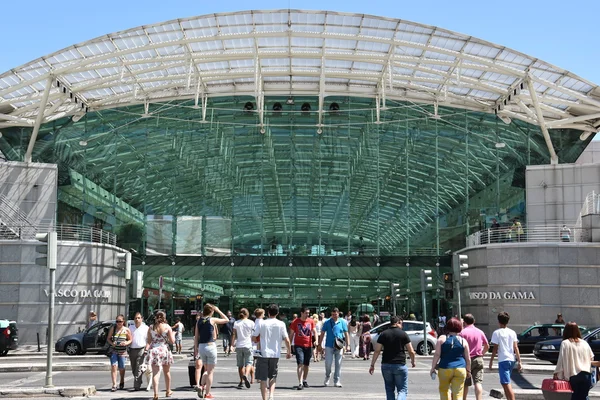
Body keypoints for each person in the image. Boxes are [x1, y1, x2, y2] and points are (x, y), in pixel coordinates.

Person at [369, 316, 416, 400]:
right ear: (397, 323)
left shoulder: (383, 334)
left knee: (389, 389)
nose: (402, 326)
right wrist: (413, 361)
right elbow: (411, 351)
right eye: (401, 323)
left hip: (386, 365)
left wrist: (372, 365)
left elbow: (377, 350)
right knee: (402, 390)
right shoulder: (403, 334)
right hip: (400, 365)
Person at [252, 303, 292, 400]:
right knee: (273, 376)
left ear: (268, 313)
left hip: (263, 353)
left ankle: (264, 398)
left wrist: (258, 340)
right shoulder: (281, 324)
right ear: (277, 313)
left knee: (262, 378)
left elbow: (254, 337)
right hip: (275, 354)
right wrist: (288, 351)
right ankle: (271, 395)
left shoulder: (261, 323)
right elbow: (287, 339)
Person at [194, 304, 230, 399]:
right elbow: (226, 320)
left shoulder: (199, 321)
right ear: (211, 311)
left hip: (201, 347)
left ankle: (201, 386)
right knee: (210, 372)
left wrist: (195, 350)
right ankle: (207, 393)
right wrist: (218, 310)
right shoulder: (212, 320)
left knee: (206, 369)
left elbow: (196, 337)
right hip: (210, 346)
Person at [430, 317, 471, 400]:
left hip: (445, 368)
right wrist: (468, 370)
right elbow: (468, 358)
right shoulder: (463, 341)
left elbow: (437, 354)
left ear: (447, 327)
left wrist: (433, 367)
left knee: (444, 390)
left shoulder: (441, 339)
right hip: (460, 368)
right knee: (458, 393)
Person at [554, 322, 594, 400]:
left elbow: (561, 360)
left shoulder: (565, 343)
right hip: (586, 375)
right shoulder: (584, 343)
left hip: (574, 375)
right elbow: (591, 358)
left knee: (575, 396)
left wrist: (557, 373)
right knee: (584, 396)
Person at [488, 312, 522, 400]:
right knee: (505, 382)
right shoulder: (512, 332)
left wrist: (491, 361)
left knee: (506, 383)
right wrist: (519, 361)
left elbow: (495, 349)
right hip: (511, 359)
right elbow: (516, 347)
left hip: (503, 360)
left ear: (499, 321)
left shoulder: (496, 333)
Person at [145, 310, 175, 400]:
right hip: (164, 350)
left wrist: (146, 349)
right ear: (164, 317)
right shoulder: (167, 327)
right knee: (167, 371)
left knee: (155, 373)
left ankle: (155, 393)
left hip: (154, 350)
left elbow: (149, 341)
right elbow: (172, 341)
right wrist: (173, 334)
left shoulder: (151, 327)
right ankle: (168, 391)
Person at [318, 308, 350, 387]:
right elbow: (322, 333)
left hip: (339, 344)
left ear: (338, 314)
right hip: (329, 345)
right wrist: (319, 344)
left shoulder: (342, 322)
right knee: (328, 363)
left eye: (335, 314)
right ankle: (327, 376)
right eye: (332, 314)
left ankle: (337, 380)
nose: (334, 316)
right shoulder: (327, 322)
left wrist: (348, 345)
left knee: (338, 363)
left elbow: (346, 333)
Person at [460, 314, 489, 400]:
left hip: (466, 360)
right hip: (478, 358)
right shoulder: (480, 332)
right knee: (478, 383)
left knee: (465, 383)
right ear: (474, 321)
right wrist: (482, 354)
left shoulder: (462, 333)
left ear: (464, 322)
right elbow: (487, 345)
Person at [289, 306, 317, 390]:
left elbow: (315, 331)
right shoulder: (295, 322)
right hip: (298, 345)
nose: (307, 315)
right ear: (301, 313)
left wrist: (316, 340)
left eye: (308, 313)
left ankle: (304, 380)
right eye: (306, 313)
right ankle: (300, 382)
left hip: (308, 345)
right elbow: (291, 334)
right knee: (300, 363)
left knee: (306, 364)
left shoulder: (311, 321)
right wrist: (289, 345)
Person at [107, 314, 132, 392]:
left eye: (120, 321)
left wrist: (126, 343)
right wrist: (112, 343)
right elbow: (108, 338)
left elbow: (130, 339)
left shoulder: (126, 330)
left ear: (123, 322)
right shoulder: (113, 329)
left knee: (121, 368)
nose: (118, 323)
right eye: (117, 321)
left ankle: (121, 380)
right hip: (114, 350)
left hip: (123, 351)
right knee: (114, 366)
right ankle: (114, 384)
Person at [232, 308, 254, 390]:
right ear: (247, 314)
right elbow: (254, 334)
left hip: (239, 345)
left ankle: (241, 381)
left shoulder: (236, 323)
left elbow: (234, 334)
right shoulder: (251, 322)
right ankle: (246, 375)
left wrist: (231, 344)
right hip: (248, 345)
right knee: (249, 363)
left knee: (240, 365)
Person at [128, 312, 149, 391]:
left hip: (141, 349)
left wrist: (146, 349)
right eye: (136, 318)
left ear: (142, 319)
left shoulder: (145, 328)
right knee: (134, 368)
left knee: (138, 367)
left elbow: (148, 340)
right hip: (132, 349)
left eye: (139, 318)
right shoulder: (131, 327)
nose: (137, 319)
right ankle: (138, 380)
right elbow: (128, 338)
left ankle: (136, 385)